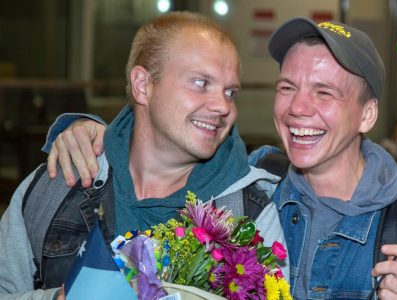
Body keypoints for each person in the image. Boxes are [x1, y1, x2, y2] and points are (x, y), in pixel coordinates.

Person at [39, 18, 397, 299]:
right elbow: (166, 136)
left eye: (324, 92)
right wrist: (89, 130)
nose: (298, 108)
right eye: (287, 87)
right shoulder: (256, 184)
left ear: (367, 114)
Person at [0, 12, 284, 299]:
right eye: (201, 83)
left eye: (230, 92)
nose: (223, 106)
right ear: (143, 85)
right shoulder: (57, 186)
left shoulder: (249, 219)